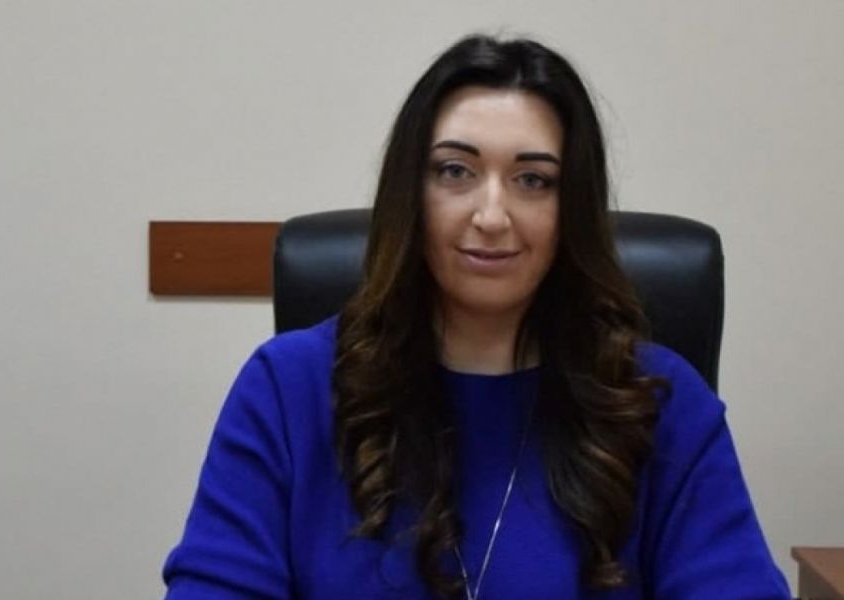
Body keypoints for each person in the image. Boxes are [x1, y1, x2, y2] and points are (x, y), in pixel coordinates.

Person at [162, 35, 790, 599]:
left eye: (533, 180)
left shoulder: (661, 404)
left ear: (571, 209)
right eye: (455, 171)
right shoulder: (285, 390)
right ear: (411, 195)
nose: (491, 216)